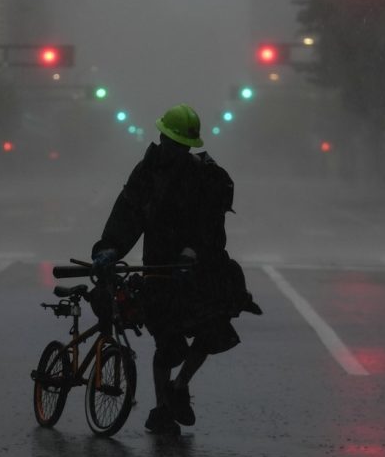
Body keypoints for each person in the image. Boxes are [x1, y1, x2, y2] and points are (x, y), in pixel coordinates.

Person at [91, 103, 261, 435]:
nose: (176, 150)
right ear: (162, 138)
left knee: (213, 326)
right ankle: (161, 409)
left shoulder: (205, 177)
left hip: (196, 269)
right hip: (158, 270)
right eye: (173, 143)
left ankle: (180, 386)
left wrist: (193, 252)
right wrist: (109, 248)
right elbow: (128, 212)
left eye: (182, 145)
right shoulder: (147, 172)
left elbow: (211, 225)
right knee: (167, 343)